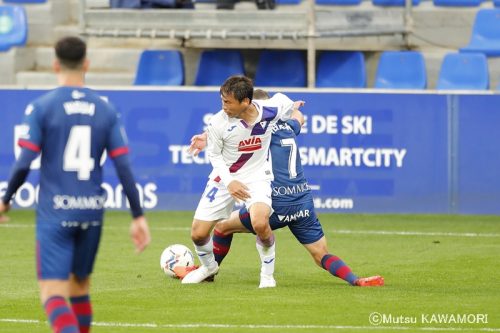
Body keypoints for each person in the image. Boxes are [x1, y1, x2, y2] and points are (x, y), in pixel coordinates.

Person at [0, 36, 151, 333]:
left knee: (53, 295)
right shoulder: (105, 109)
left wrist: (6, 200)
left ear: (55, 64)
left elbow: (24, 161)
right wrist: (138, 216)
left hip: (55, 212)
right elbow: (123, 165)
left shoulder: (42, 107)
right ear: (87, 64)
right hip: (91, 212)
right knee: (80, 288)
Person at [189, 89, 384, 287]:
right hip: (302, 201)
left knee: (222, 227)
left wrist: (206, 137)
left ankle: (209, 272)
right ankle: (356, 280)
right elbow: (299, 118)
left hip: (276, 202)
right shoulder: (288, 127)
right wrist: (293, 110)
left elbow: (231, 136)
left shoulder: (258, 131)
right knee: (321, 254)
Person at [181, 76, 303, 288]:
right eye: (222, 100)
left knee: (260, 223)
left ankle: (267, 275)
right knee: (198, 234)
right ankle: (209, 267)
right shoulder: (217, 122)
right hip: (224, 178)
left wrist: (295, 108)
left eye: (227, 102)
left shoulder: (271, 108)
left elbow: (286, 104)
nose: (223, 106)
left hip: (257, 177)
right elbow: (216, 157)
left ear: (245, 101)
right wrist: (229, 182)